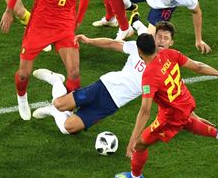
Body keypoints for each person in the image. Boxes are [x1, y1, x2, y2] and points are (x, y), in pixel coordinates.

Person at [114, 34, 218, 178]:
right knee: (185, 121)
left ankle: (135, 176)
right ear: (154, 45)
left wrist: (132, 139)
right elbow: (197, 66)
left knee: (140, 144)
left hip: (171, 115)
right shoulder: (169, 53)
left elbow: (145, 111)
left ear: (139, 52)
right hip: (185, 101)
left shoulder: (149, 76)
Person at [0, 0, 93, 120]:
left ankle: (65, 110)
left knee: (74, 73)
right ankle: (22, 97)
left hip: (64, 26)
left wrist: (79, 19)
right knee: (24, 74)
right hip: (40, 25)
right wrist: (9, 11)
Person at [32, 21, 176, 134]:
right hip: (104, 86)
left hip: (112, 104)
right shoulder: (140, 47)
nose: (162, 41)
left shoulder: (168, 68)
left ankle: (53, 112)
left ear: (171, 42)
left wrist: (191, 117)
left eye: (166, 38)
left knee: (68, 128)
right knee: (59, 104)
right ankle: (56, 81)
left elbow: (177, 96)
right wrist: (89, 40)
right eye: (159, 36)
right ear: (154, 37)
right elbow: (113, 44)